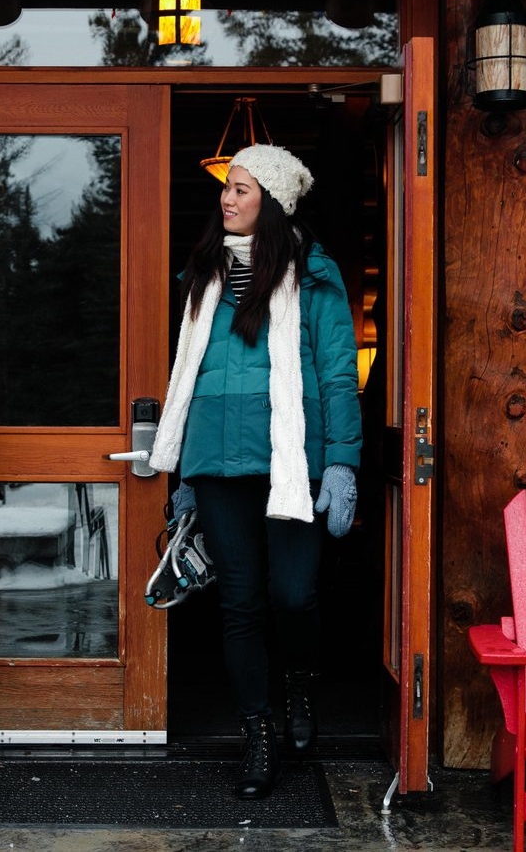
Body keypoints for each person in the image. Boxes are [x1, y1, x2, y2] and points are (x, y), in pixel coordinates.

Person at [148, 143, 361, 799]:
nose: (227, 197)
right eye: (227, 187)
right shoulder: (200, 277)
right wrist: (182, 471)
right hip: (216, 459)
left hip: (291, 460)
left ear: (271, 201)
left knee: (293, 595)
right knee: (239, 602)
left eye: (241, 188)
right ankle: (258, 734)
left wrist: (343, 464)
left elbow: (336, 375)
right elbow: (186, 375)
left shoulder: (317, 277)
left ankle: (299, 679)